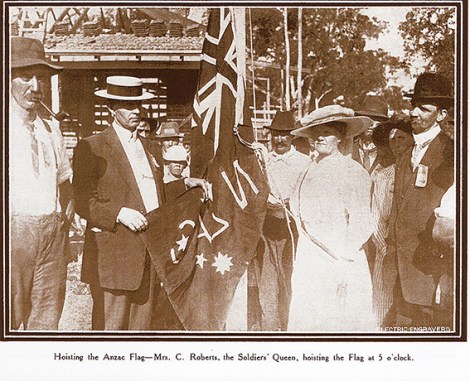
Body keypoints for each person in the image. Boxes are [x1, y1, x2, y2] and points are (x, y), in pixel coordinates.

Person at [72, 76, 210, 330]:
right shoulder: (91, 147)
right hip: (113, 260)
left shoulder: (150, 148)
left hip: (148, 256)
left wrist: (186, 184)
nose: (136, 111)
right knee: (110, 334)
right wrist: (118, 213)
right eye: (128, 106)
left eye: (139, 105)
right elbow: (82, 201)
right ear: (111, 108)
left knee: (141, 333)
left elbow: (156, 196)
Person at [288, 105, 376, 331]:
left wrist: (343, 262)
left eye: (326, 132)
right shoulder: (307, 170)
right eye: (315, 132)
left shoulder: (352, 171)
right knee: (307, 320)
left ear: (339, 136)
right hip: (309, 257)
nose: (319, 137)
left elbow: (362, 223)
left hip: (339, 258)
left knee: (337, 322)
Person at [9, 37, 73, 330]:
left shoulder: (50, 128)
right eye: (25, 77)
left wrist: (64, 221)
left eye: (41, 78)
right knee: (8, 317)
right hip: (12, 232)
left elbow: (64, 179)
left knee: (46, 320)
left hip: (51, 232)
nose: (36, 87)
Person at [385, 72, 454, 329]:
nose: (414, 113)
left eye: (424, 109)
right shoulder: (405, 154)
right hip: (398, 274)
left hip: (430, 273)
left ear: (442, 115)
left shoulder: (452, 155)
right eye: (413, 106)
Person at [248, 111, 311, 331]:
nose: (279, 139)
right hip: (265, 231)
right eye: (276, 134)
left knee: (289, 283)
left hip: (292, 233)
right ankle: (270, 331)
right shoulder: (263, 161)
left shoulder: (305, 163)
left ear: (293, 136)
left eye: (285, 134)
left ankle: (289, 329)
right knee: (267, 285)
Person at [369, 116, 412, 327]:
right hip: (385, 247)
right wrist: (384, 247)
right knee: (383, 300)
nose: (397, 145)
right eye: (393, 140)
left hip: (409, 250)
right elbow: (376, 216)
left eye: (402, 139)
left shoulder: (414, 171)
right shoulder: (382, 175)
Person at [352, 94, 390, 173]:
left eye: (376, 119)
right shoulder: (347, 151)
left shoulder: (391, 154)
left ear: (383, 124)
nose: (371, 123)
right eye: (368, 118)